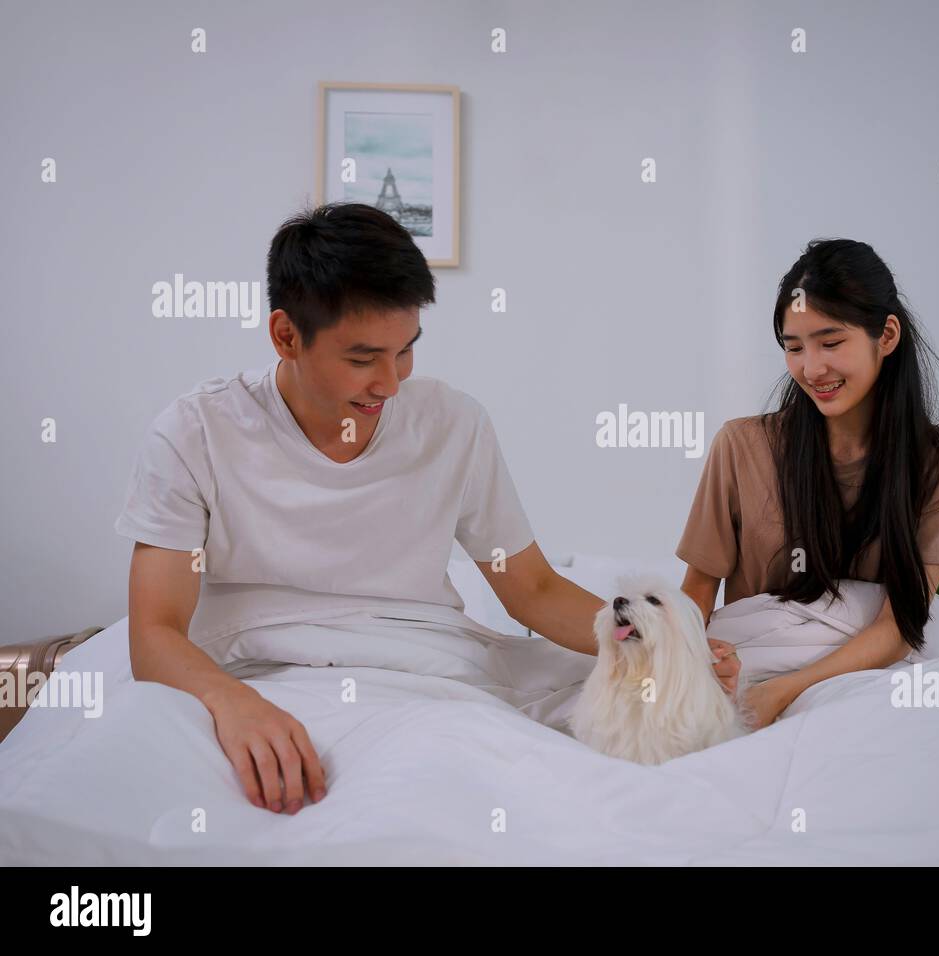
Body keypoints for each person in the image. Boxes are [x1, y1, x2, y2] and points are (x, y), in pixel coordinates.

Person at [115, 203, 740, 815]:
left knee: (628, 710)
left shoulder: (453, 422)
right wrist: (233, 703)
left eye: (406, 350)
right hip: (261, 664)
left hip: (433, 659)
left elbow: (534, 589)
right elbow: (155, 632)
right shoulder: (196, 432)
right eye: (362, 359)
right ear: (285, 335)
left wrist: (663, 646)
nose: (389, 383)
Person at [676, 238, 939, 730]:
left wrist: (781, 692)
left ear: (886, 336)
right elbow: (696, 592)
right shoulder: (742, 446)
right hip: (748, 664)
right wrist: (689, 663)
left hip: (868, 673)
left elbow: (898, 628)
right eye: (794, 347)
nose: (811, 368)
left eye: (830, 342)